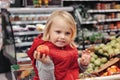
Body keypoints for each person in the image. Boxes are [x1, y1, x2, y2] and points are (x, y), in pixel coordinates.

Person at [27, 10, 91, 80]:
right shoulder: (45, 53)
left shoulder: (70, 48)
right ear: (48, 31)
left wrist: (82, 64)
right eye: (58, 32)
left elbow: (73, 70)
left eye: (67, 33)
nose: (62, 37)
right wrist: (46, 64)